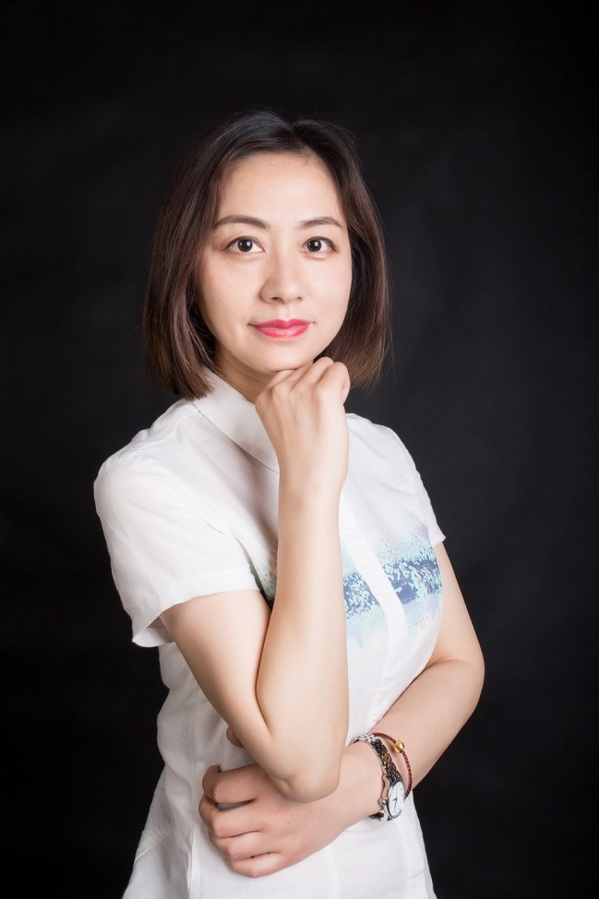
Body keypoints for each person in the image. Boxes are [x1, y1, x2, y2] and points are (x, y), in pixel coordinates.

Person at [94, 109, 484, 898]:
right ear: (189, 267)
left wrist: (357, 789)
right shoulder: (152, 480)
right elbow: (300, 759)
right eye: (243, 244)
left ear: (354, 265)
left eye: (316, 243)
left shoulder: (380, 450)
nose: (284, 283)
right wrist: (307, 484)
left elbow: (458, 663)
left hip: (392, 871)